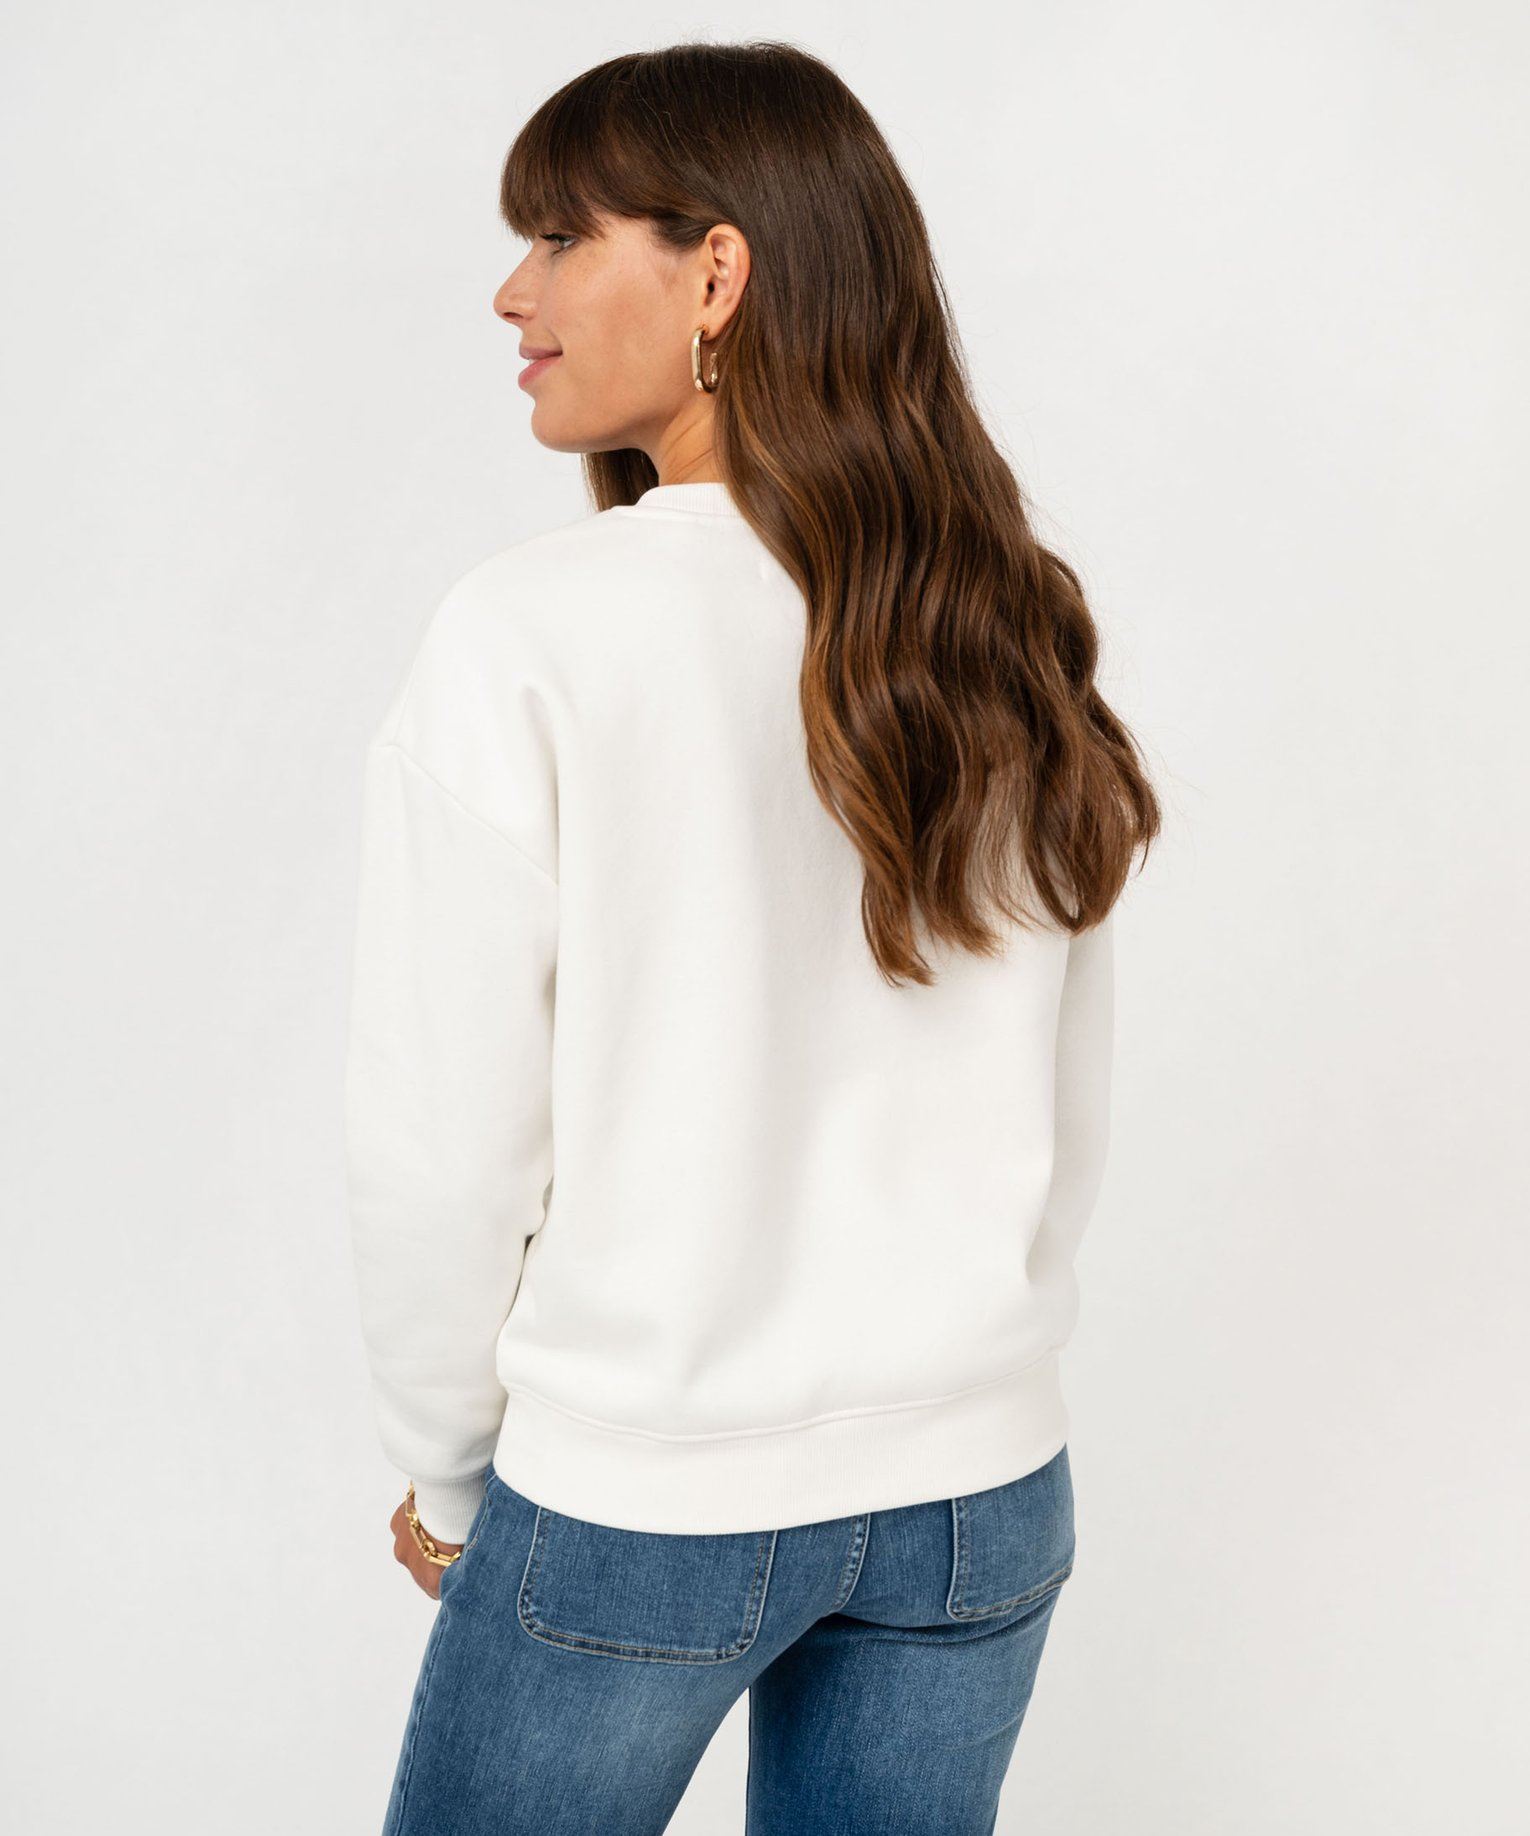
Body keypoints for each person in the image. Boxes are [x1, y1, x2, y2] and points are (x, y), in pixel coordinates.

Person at [343, 38, 1161, 1836]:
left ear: (716, 273)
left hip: (644, 1495)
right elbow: (1064, 1095)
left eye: (562, 236)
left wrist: (451, 1474)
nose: (513, 291)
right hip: (978, 1491)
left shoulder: (529, 636)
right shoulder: (998, 618)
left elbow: (442, 1149)